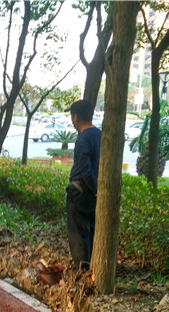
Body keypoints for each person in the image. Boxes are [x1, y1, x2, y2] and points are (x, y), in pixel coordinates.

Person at [65, 99, 101, 272]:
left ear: (76, 117)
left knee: (78, 234)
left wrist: (94, 190)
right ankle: (92, 267)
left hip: (80, 192)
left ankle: (82, 271)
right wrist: (98, 193)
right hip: (93, 195)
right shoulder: (100, 135)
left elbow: (86, 171)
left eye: (72, 116)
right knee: (91, 232)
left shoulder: (83, 139)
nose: (72, 120)